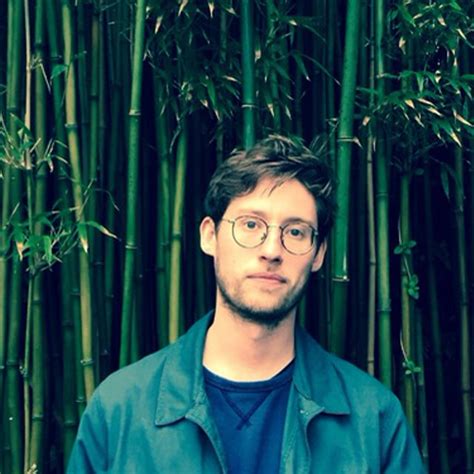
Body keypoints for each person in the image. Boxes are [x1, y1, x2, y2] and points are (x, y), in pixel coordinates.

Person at [68, 135, 424, 473]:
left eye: (295, 231)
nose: (271, 250)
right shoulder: (119, 410)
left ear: (318, 254)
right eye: (251, 225)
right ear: (210, 236)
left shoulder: (373, 421)